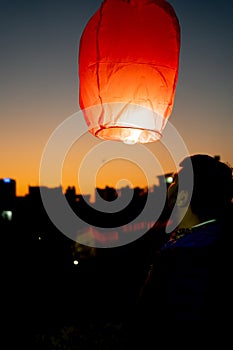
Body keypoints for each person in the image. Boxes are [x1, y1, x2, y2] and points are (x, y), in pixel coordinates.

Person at [122, 154, 233, 347]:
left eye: (174, 182)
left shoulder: (183, 262)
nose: (169, 187)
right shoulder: (206, 238)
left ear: (183, 196)